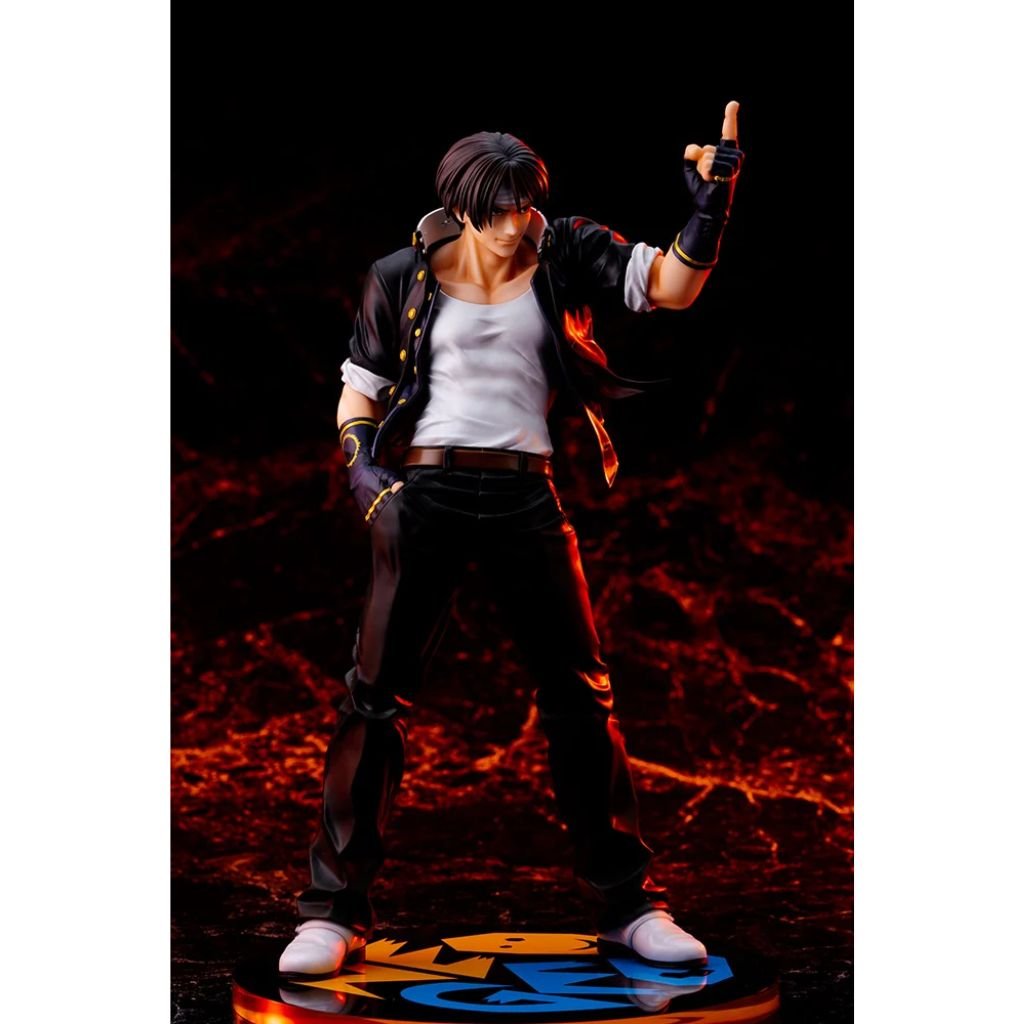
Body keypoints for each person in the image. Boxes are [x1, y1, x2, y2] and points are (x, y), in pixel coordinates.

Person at [279, 103, 745, 977]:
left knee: (582, 698)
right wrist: (363, 470)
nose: (511, 224)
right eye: (494, 209)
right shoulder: (399, 276)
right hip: (424, 493)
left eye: (523, 205)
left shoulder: (563, 251)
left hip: (527, 493)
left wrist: (708, 208)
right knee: (373, 700)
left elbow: (671, 288)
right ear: (460, 205)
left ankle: (628, 906)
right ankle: (333, 913)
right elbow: (360, 388)